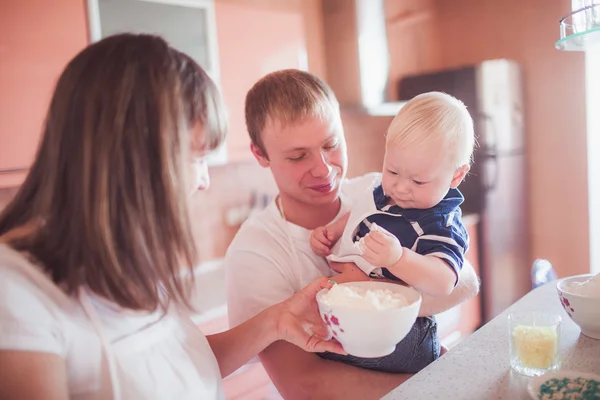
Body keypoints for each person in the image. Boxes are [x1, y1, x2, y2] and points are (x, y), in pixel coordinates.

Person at [0, 34, 344, 400]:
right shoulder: (15, 291)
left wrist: (276, 321)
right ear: (131, 152)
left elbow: (180, 362)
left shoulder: (123, 261)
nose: (204, 180)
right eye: (196, 157)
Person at [225, 69, 480, 399]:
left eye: (331, 144)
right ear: (260, 154)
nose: (323, 168)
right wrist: (434, 387)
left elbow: (466, 281)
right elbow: (305, 385)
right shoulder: (255, 253)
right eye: (298, 156)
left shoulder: (382, 189)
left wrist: (375, 292)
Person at [309, 91, 475, 373]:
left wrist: (398, 259)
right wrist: (333, 231)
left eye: (418, 181)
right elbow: (363, 213)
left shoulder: (438, 222)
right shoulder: (384, 194)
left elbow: (444, 281)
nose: (400, 188)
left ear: (456, 176)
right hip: (363, 323)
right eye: (393, 171)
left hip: (403, 335)